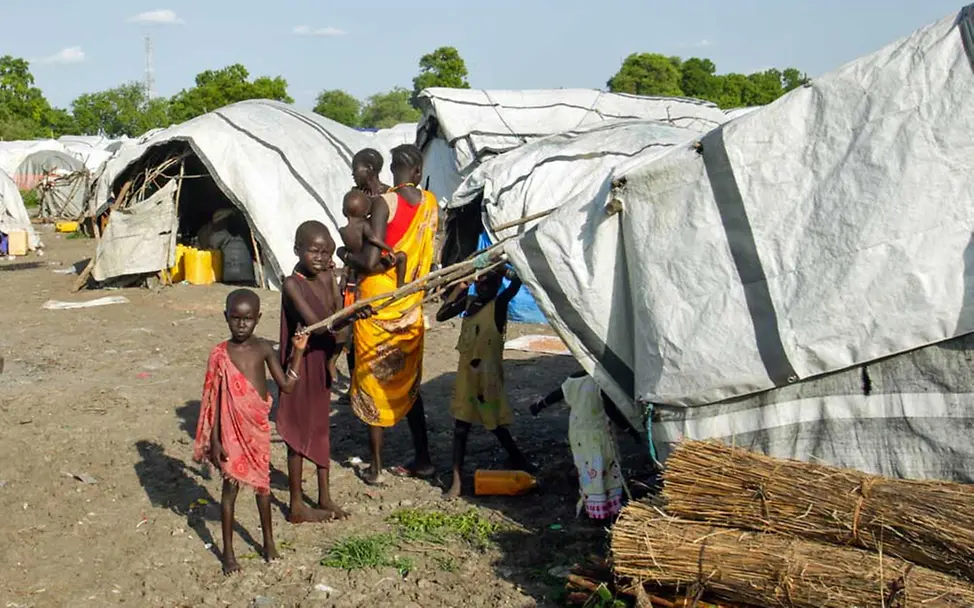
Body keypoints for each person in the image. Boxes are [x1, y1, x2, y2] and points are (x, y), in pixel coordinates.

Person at [338, 144, 437, 486]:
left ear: (390, 169)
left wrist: (344, 255)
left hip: (377, 303)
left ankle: (376, 468)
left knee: (371, 377)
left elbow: (368, 260)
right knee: (409, 380)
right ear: (419, 172)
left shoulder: (384, 203)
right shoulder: (430, 203)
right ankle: (423, 459)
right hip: (410, 303)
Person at [193, 288, 310, 575]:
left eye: (247, 319)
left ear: (258, 318)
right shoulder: (220, 354)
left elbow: (287, 386)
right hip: (230, 433)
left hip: (256, 428)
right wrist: (215, 439)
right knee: (229, 490)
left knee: (263, 488)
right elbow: (215, 399)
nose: (241, 324)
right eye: (235, 318)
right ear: (225, 317)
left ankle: (268, 543)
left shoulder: (264, 349)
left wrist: (299, 351)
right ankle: (229, 553)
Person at [279, 220, 368, 522]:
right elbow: (318, 323)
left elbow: (334, 313)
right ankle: (295, 505)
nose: (319, 257)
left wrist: (349, 315)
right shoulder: (292, 284)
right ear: (297, 250)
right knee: (297, 433)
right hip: (300, 363)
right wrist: (347, 317)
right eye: (313, 251)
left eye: (325, 252)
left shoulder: (328, 276)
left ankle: (324, 497)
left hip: (322, 361)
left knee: (319, 429)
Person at [436, 268, 533, 498]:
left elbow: (517, 283)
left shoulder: (498, 306)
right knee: (461, 427)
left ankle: (519, 460)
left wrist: (502, 270)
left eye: (490, 283)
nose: (483, 287)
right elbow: (441, 315)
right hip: (467, 376)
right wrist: (460, 286)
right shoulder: (469, 303)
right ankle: (456, 480)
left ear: (498, 284)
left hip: (487, 378)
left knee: (495, 424)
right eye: (480, 283)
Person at [530, 372, 634, 521]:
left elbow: (557, 394)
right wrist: (630, 429)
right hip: (597, 434)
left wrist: (539, 405)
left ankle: (593, 505)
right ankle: (606, 508)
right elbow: (610, 411)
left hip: (577, 433)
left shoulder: (573, 379)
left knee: (587, 469)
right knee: (605, 466)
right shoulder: (600, 381)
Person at [339, 190, 408, 288]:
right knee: (402, 256)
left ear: (343, 212)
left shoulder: (342, 231)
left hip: (357, 264)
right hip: (370, 267)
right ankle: (400, 284)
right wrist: (388, 249)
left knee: (340, 251)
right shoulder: (364, 225)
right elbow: (373, 238)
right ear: (366, 212)